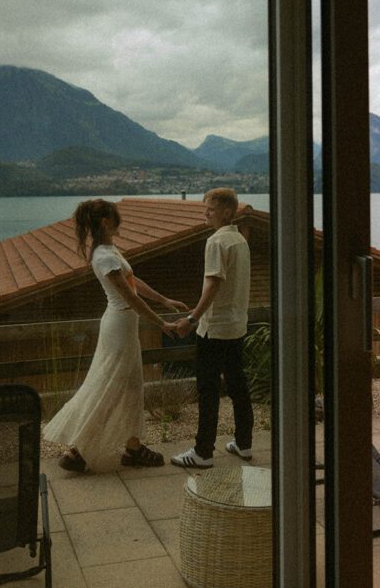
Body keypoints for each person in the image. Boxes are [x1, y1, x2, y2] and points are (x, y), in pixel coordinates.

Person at [43, 199, 187, 472]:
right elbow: (130, 298)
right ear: (106, 222)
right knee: (110, 385)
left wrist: (163, 299)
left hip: (123, 326)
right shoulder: (104, 257)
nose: (120, 222)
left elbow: (134, 282)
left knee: (131, 386)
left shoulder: (109, 250)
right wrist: (162, 323)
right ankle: (77, 451)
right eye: (116, 218)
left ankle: (132, 448)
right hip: (119, 327)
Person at [171, 187, 254, 469]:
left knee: (208, 389)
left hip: (215, 328)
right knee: (237, 385)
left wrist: (192, 319)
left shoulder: (216, 242)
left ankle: (203, 452)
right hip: (237, 326)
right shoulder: (241, 241)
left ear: (228, 212)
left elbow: (213, 283)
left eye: (211, 208)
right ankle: (244, 444)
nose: (205, 212)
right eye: (205, 207)